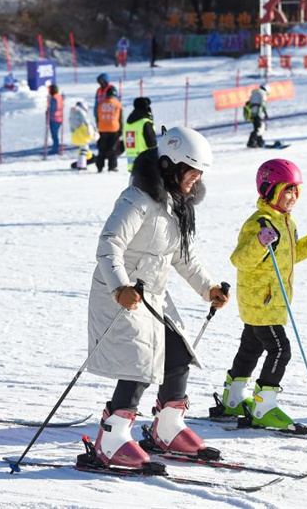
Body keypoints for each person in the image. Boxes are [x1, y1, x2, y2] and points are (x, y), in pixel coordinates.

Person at [86, 126, 229, 469]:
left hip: (153, 296)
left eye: (199, 174)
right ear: (169, 165)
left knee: (178, 354)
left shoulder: (177, 204)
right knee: (140, 364)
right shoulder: (137, 199)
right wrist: (119, 287)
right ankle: (113, 436)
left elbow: (184, 256)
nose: (196, 179)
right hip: (121, 295)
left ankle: (167, 427)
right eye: (191, 172)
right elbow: (109, 247)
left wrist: (208, 287)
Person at [216, 159, 307, 430]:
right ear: (270, 190)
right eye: (286, 190)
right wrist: (259, 242)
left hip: (270, 301)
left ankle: (233, 398)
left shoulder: (286, 223)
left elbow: (291, 256)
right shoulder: (258, 223)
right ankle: (264, 405)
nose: (292, 197)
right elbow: (240, 260)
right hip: (262, 302)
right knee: (281, 349)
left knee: (251, 347)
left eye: (295, 190)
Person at [123, 97, 157, 173]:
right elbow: (152, 144)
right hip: (146, 164)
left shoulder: (128, 124)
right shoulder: (145, 123)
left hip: (132, 164)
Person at [95, 87, 122, 173]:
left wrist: (99, 126)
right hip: (114, 128)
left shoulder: (101, 104)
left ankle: (99, 166)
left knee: (102, 148)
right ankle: (112, 166)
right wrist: (121, 129)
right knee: (112, 149)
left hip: (102, 128)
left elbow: (97, 116)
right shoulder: (117, 104)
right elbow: (121, 118)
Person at [70, 100, 97, 170]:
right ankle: (82, 165)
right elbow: (87, 122)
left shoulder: (72, 113)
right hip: (82, 133)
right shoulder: (81, 112)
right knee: (84, 149)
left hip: (75, 134)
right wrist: (90, 130)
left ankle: (83, 161)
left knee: (83, 148)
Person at [47, 83, 64, 155]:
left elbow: (52, 109)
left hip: (54, 118)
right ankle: (56, 147)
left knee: (54, 134)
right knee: (55, 134)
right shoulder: (59, 97)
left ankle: (55, 148)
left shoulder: (53, 98)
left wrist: (47, 114)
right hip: (59, 118)